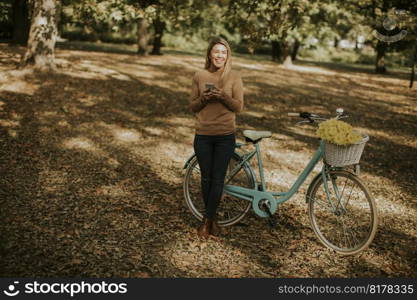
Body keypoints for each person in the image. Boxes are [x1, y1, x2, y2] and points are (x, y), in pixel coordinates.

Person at [189, 37, 244, 238]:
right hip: (203, 135)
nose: (220, 55)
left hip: (225, 135)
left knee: (218, 179)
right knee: (206, 178)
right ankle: (212, 220)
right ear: (210, 54)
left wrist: (222, 96)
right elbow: (192, 106)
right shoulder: (199, 75)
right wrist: (204, 98)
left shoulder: (235, 76)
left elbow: (238, 106)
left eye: (224, 52)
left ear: (228, 55)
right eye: (216, 51)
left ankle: (207, 220)